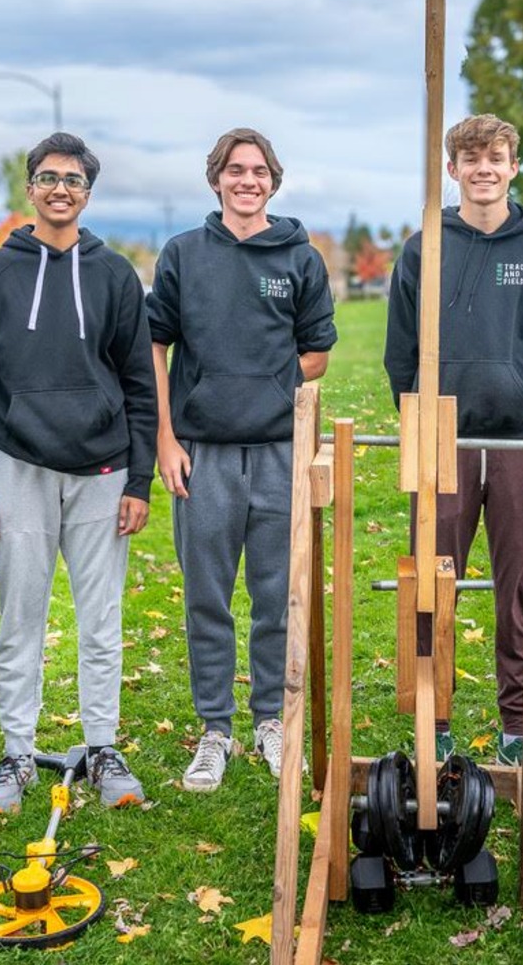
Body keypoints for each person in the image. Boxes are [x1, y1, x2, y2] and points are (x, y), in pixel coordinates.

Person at [0, 132, 156, 814]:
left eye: (73, 178)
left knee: (100, 620)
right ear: (29, 189)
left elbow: (138, 382)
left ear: (88, 192)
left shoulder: (116, 274)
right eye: (48, 177)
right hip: (16, 468)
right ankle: (16, 755)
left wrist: (139, 481)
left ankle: (102, 746)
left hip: (103, 470)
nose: (60, 188)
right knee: (21, 619)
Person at [383, 114, 523, 797]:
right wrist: (414, 420)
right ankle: (431, 726)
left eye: (496, 157)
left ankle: (521, 730)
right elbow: (400, 347)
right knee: (432, 584)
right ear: (452, 168)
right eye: (471, 158)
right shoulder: (424, 247)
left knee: (521, 588)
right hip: (443, 435)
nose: (484, 168)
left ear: (514, 166)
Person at [146, 128, 337, 792]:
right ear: (216, 179)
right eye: (235, 170)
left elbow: (317, 352)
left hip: (280, 452)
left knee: (275, 597)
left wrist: (265, 385)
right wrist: (165, 440)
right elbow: (155, 346)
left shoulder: (299, 257)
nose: (247, 180)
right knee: (207, 598)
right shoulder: (183, 254)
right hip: (202, 454)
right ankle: (214, 730)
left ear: (273, 182)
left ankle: (270, 722)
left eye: (258, 171)